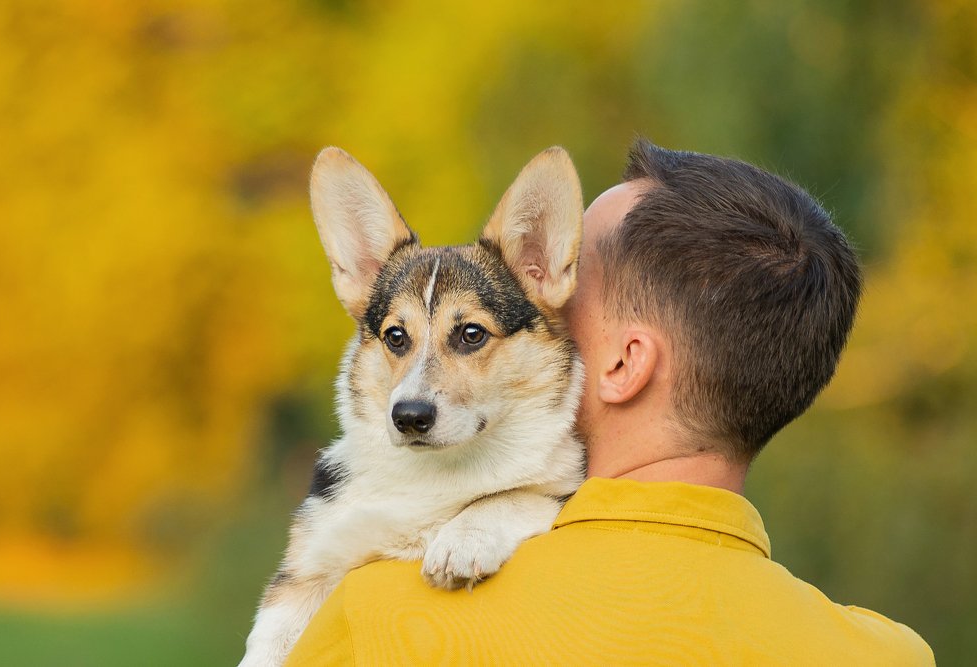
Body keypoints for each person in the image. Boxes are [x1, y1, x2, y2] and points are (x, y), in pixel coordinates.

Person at [284, 139, 934, 665]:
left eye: (566, 291)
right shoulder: (890, 655)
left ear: (624, 364)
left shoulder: (378, 620)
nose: (545, 305)